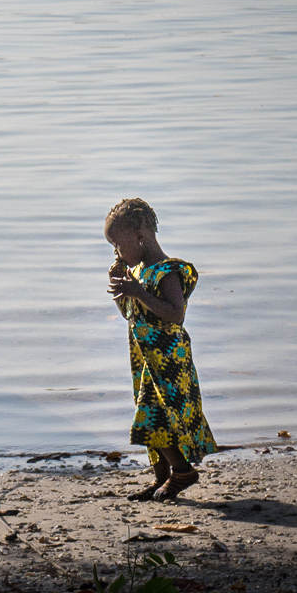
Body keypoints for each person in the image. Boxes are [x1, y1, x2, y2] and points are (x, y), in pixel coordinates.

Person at [105, 198, 217, 502]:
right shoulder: (138, 272)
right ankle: (162, 478)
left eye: (117, 244)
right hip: (145, 359)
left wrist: (139, 291)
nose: (116, 252)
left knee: (152, 419)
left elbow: (175, 314)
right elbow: (131, 312)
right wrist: (122, 290)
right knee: (156, 419)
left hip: (169, 360)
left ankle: (182, 471)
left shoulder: (167, 271)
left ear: (140, 235)